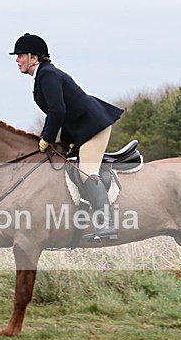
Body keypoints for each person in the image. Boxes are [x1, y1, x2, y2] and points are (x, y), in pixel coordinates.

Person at [10, 33, 124, 240]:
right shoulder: (42, 76)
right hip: (81, 128)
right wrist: (62, 142)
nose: (17, 61)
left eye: (20, 56)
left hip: (93, 126)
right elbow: (63, 113)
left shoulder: (48, 75)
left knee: (85, 172)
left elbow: (58, 111)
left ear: (33, 57)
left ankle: (106, 226)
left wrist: (47, 138)